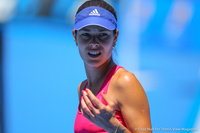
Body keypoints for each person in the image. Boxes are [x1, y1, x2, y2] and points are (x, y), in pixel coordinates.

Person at [72, 0, 152, 132]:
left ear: (115, 38)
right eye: (86, 34)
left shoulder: (125, 83)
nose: (94, 43)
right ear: (75, 37)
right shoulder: (83, 89)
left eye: (102, 35)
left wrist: (112, 127)